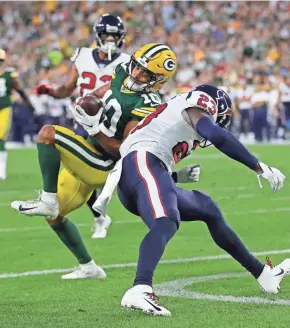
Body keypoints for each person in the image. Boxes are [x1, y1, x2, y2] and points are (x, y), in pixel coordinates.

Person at [93, 84, 288, 316]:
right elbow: (216, 135)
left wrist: (173, 176)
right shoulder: (198, 103)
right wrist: (258, 166)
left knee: (208, 208)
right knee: (166, 220)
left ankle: (263, 275)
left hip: (146, 170)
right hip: (143, 164)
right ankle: (140, 288)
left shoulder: (178, 111)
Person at [11, 44, 199, 281]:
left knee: (48, 134)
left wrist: (95, 128)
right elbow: (100, 93)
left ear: (158, 80)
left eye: (146, 74)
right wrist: (88, 100)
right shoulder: (122, 71)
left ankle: (46, 199)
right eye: (138, 67)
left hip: (105, 164)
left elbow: (125, 150)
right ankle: (89, 266)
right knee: (55, 216)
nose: (138, 74)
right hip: (89, 149)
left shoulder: (148, 104)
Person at [35, 13, 130, 239]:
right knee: (80, 172)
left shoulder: (127, 62)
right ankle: (99, 216)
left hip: (109, 127)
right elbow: (68, 88)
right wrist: (51, 91)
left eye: (114, 36)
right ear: (98, 36)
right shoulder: (83, 55)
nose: (110, 40)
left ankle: (99, 215)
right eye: (106, 35)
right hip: (83, 122)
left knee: (95, 174)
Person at [0, 49, 35, 180]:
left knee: (0, 136)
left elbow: (20, 90)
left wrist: (29, 104)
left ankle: (1, 170)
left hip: (4, 108)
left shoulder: (9, 74)